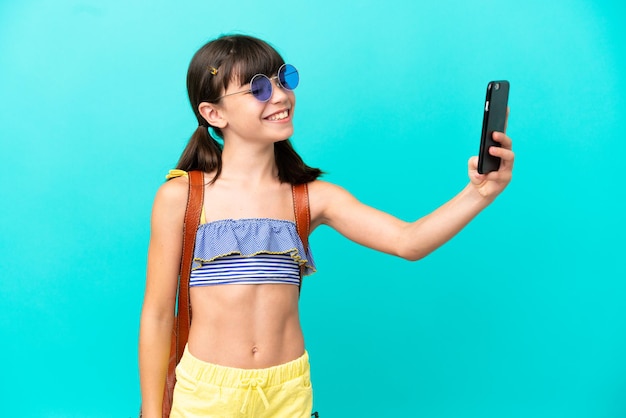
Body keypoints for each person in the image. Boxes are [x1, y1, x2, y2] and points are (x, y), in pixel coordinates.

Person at [138, 34, 514, 418]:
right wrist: (151, 413)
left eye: (283, 80)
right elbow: (156, 314)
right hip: (206, 394)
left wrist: (479, 194)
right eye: (259, 89)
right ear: (214, 114)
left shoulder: (312, 197)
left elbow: (408, 241)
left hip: (287, 392)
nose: (281, 96)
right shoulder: (181, 197)